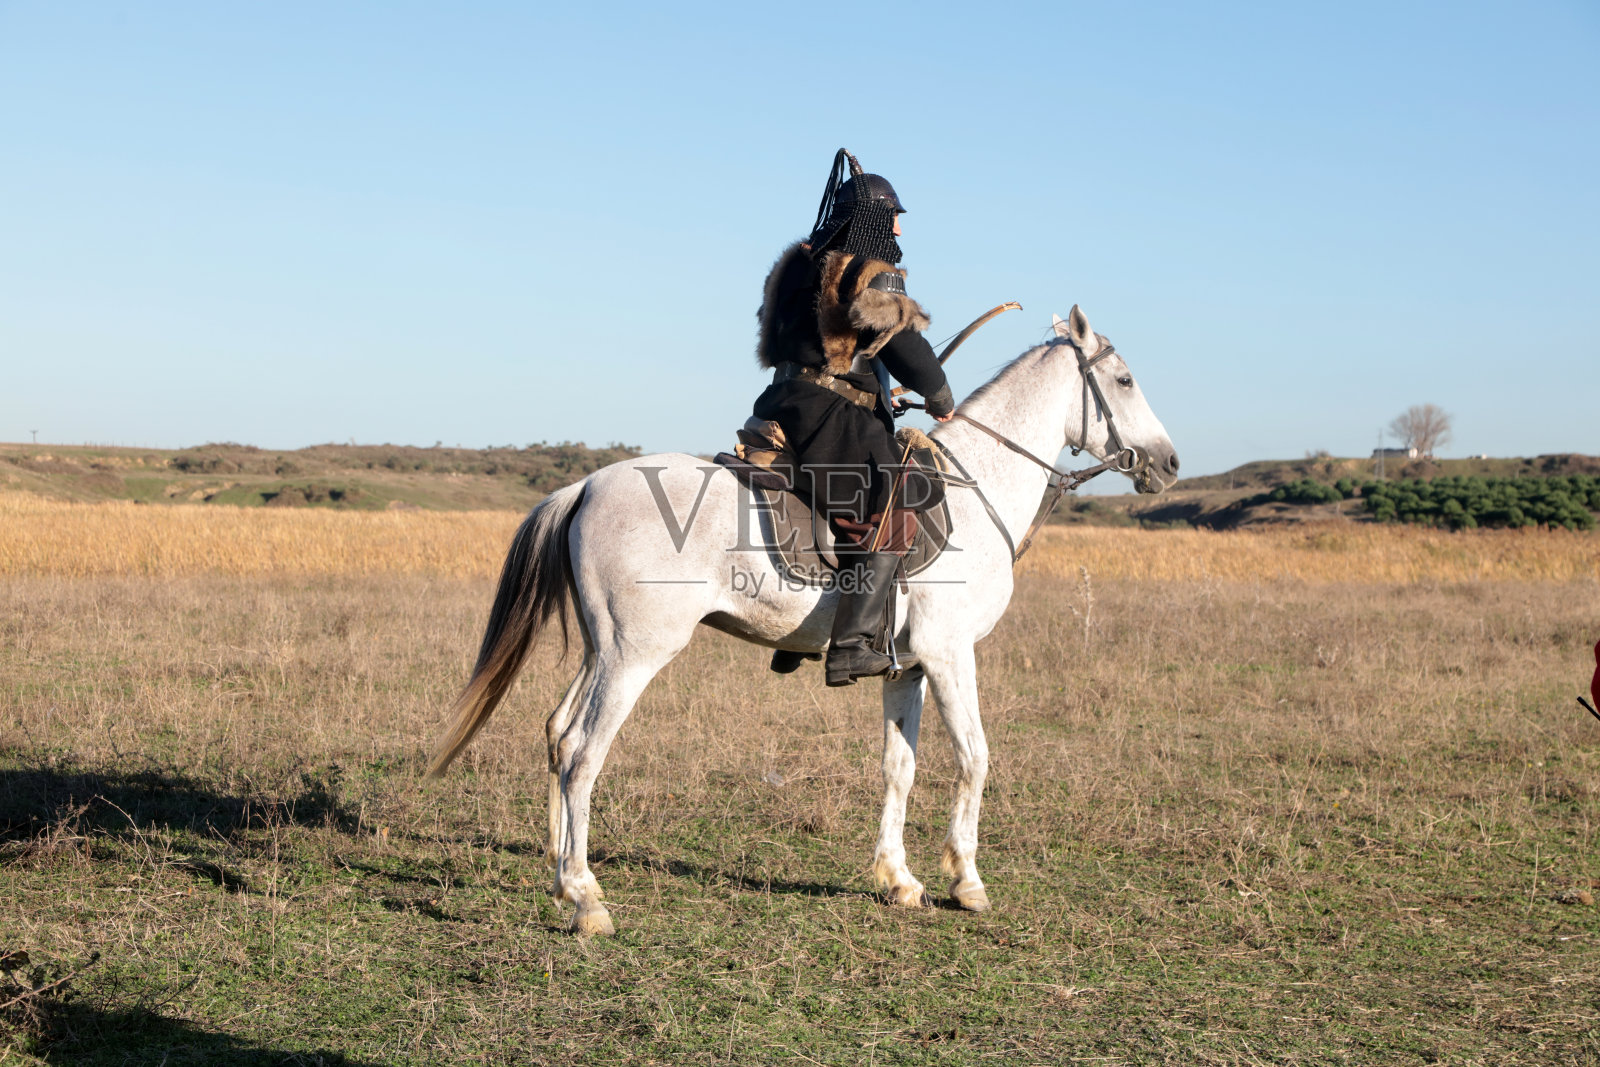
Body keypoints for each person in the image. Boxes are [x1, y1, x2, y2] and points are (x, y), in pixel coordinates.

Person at [752, 149, 955, 687]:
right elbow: (904, 347)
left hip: (780, 400)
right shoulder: (870, 271)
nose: (898, 233)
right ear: (871, 221)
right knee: (901, 490)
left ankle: (796, 635)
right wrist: (937, 395)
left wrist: (876, 394)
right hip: (825, 412)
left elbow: (820, 344)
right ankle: (849, 645)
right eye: (893, 219)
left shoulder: (797, 264)